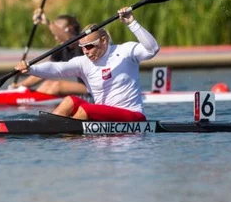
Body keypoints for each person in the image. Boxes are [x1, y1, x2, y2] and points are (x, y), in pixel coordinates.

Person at [15, 7, 160, 121]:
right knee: (69, 101)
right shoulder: (83, 62)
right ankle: (49, 132)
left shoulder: (125, 51)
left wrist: (132, 23)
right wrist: (30, 68)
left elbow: (152, 49)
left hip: (131, 116)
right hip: (103, 116)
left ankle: (67, 133)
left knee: (87, 110)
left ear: (104, 40)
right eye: (82, 48)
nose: (86, 52)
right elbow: (57, 68)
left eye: (90, 46)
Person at [10, 9, 87, 96]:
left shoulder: (82, 43)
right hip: (84, 87)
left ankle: (33, 101)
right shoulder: (61, 49)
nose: (55, 37)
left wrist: (47, 22)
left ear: (70, 29)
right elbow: (45, 71)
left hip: (94, 88)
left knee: (57, 86)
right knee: (48, 84)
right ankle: (30, 100)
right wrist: (20, 86)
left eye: (56, 32)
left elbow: (69, 39)